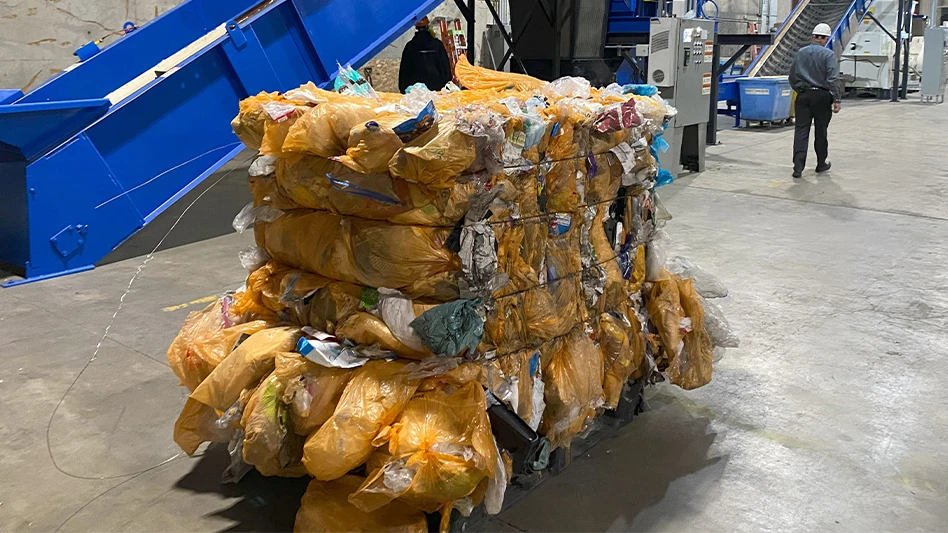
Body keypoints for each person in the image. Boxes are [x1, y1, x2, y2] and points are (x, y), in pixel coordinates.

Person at [788, 23, 841, 178]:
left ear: (813, 36)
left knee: (801, 131)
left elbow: (792, 77)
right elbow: (832, 79)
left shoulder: (800, 53)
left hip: (803, 96)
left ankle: (798, 167)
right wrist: (837, 99)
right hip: (822, 97)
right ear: (825, 38)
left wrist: (800, 90)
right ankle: (821, 163)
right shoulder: (828, 55)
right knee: (821, 131)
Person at [398, 17, 453, 93]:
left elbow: (404, 72)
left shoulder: (410, 46)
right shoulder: (437, 45)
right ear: (428, 26)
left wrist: (404, 90)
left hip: (415, 94)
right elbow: (446, 71)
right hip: (436, 92)